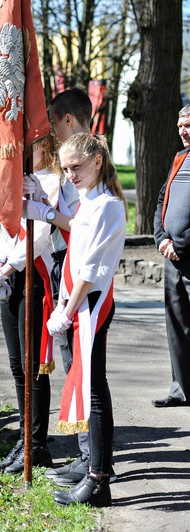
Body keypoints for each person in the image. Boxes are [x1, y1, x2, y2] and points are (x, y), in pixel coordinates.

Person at [45, 133, 126, 507]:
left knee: (93, 390)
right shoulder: (85, 203)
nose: (70, 174)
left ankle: (99, 481)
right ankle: (93, 468)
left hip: (91, 305)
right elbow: (74, 262)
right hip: (75, 304)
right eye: (65, 169)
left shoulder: (108, 205)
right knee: (89, 386)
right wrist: (62, 304)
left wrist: (67, 308)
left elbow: (91, 270)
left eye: (75, 167)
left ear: (96, 160)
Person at [24, 87, 92, 487]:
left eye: (52, 120)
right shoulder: (77, 161)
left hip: (79, 272)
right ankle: (86, 456)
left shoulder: (88, 161)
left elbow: (80, 223)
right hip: (65, 266)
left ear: (68, 120)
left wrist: (47, 211)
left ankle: (91, 459)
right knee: (73, 367)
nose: (49, 128)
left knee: (82, 369)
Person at [0, 135, 61, 474]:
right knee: (17, 365)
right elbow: (7, 226)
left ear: (46, 145)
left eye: (30, 144)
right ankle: (24, 436)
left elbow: (40, 232)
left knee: (32, 366)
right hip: (11, 275)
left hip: (32, 274)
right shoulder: (17, 180)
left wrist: (7, 267)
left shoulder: (53, 180)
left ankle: (36, 442)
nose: (23, 151)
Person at [152, 104, 190, 408]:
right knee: (176, 324)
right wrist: (161, 238)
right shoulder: (179, 158)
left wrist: (181, 243)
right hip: (172, 256)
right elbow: (162, 199)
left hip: (187, 253)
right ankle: (182, 389)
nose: (183, 131)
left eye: (189, 125)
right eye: (180, 126)